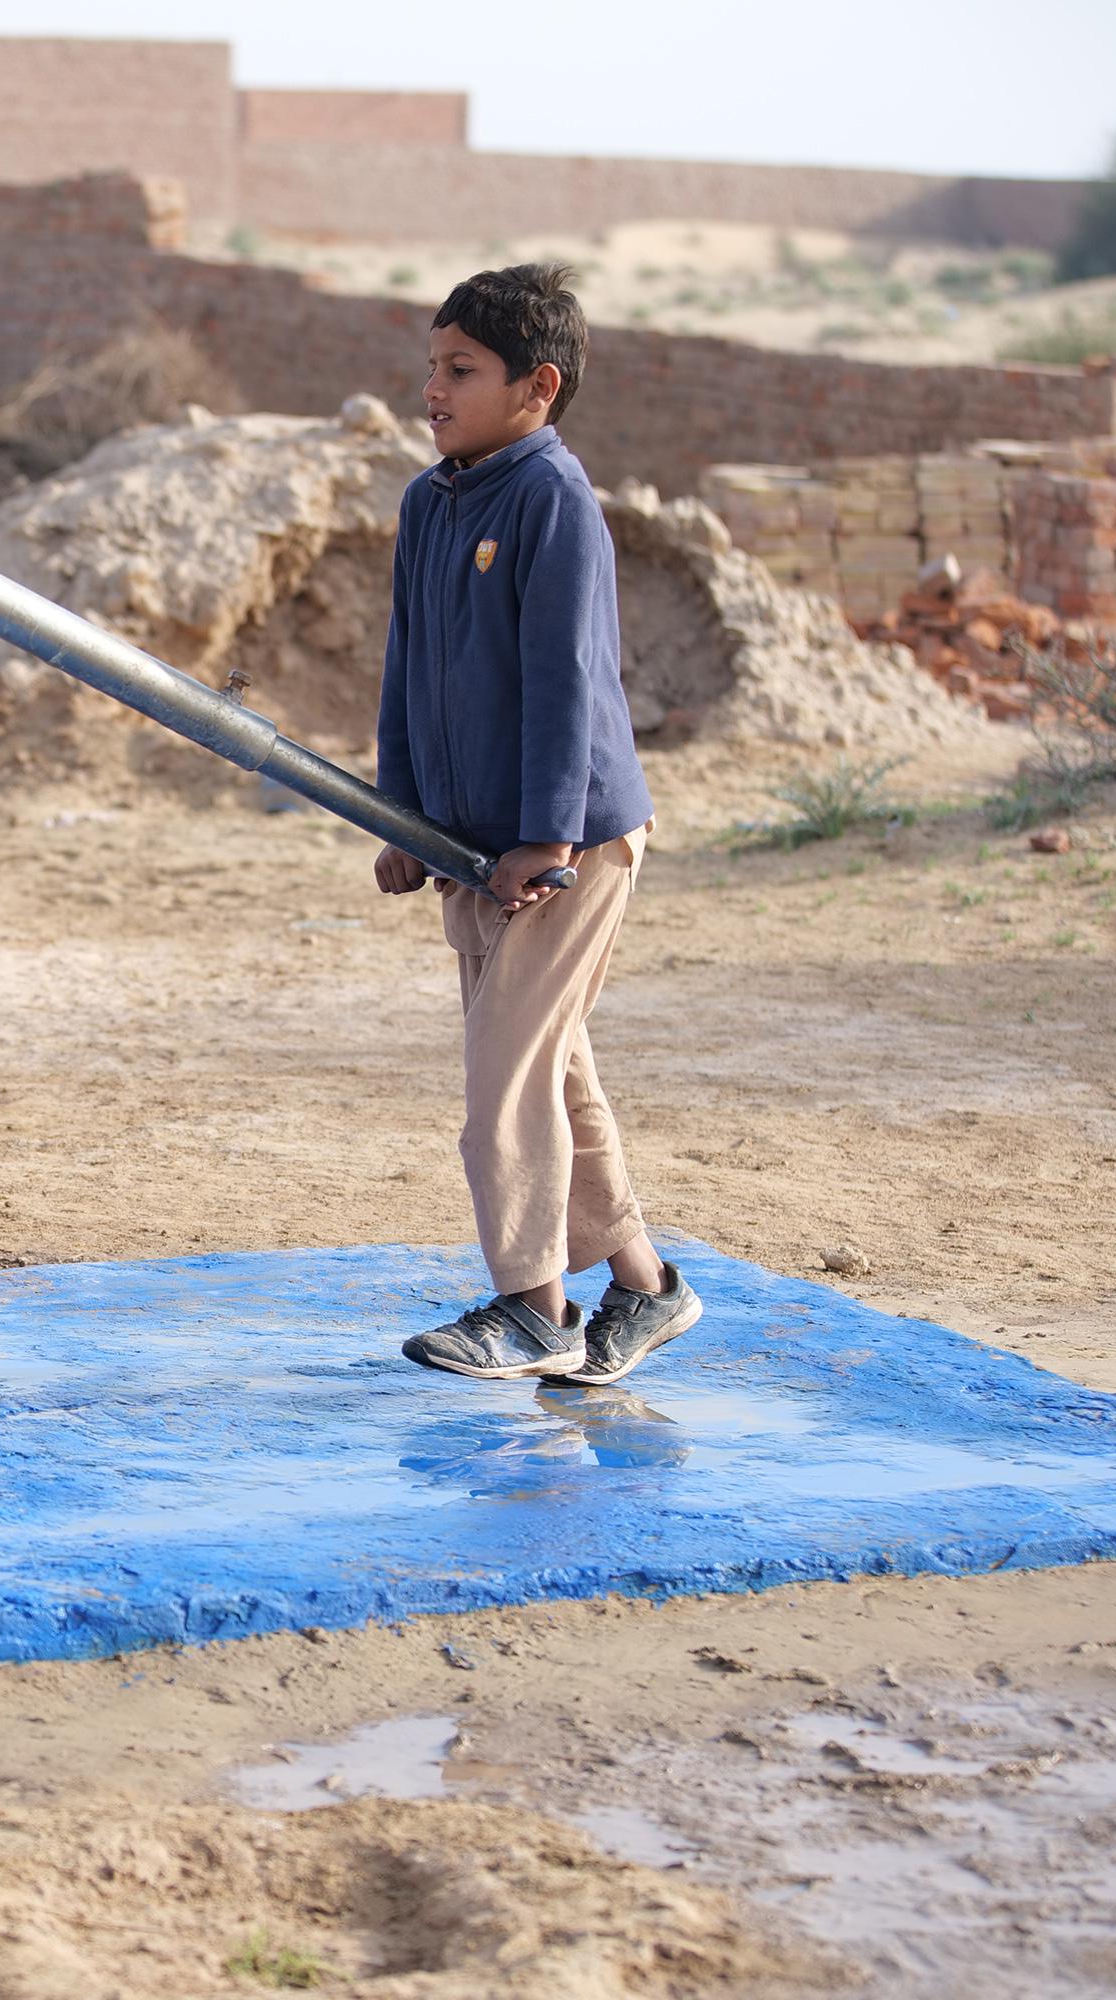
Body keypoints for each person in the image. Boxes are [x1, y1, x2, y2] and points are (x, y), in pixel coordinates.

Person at [369, 264, 701, 1388]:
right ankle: (649, 1286)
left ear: (537, 386)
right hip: (474, 848)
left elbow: (569, 683)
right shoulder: (430, 503)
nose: (433, 389)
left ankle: (536, 1307)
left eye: (460, 370)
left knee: (503, 1079)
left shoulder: (553, 500)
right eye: (431, 367)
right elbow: (406, 670)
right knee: (550, 1069)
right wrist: (402, 818)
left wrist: (550, 842)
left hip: (571, 847)